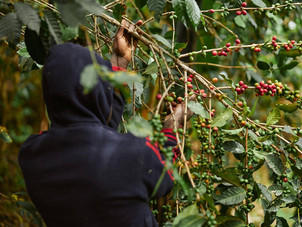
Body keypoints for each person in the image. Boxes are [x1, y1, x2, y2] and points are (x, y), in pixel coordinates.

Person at [18, 20, 193, 226]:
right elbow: (164, 176)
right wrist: (172, 128)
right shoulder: (134, 154)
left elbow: (96, 143)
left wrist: (119, 62)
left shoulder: (32, 154)